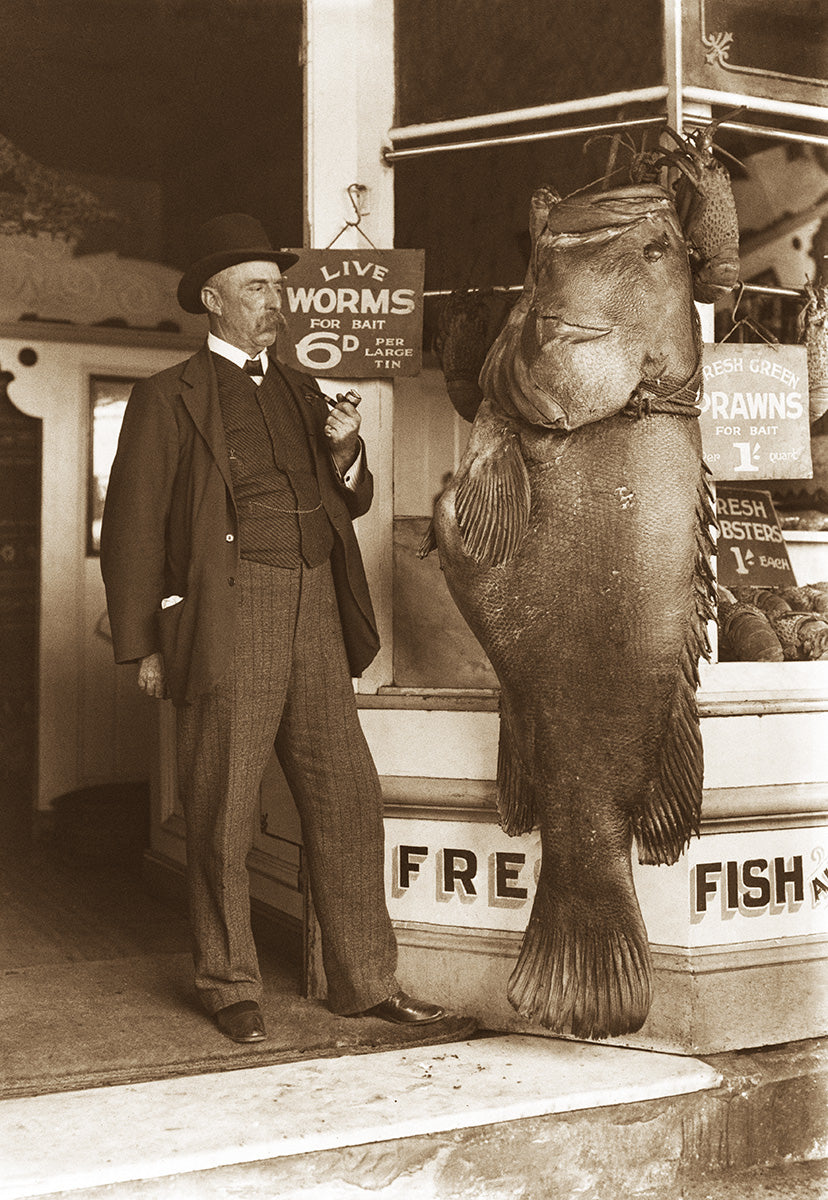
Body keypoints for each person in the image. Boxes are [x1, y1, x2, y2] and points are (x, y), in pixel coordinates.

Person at [100, 212, 444, 1043]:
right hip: (230, 611)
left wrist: (350, 447)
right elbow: (132, 527)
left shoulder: (301, 388)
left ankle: (366, 982)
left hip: (316, 606)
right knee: (221, 804)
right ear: (214, 301)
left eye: (279, 288)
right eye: (258, 288)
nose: (275, 302)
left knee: (348, 795)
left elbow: (349, 498)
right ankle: (228, 985)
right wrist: (142, 643)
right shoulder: (166, 395)